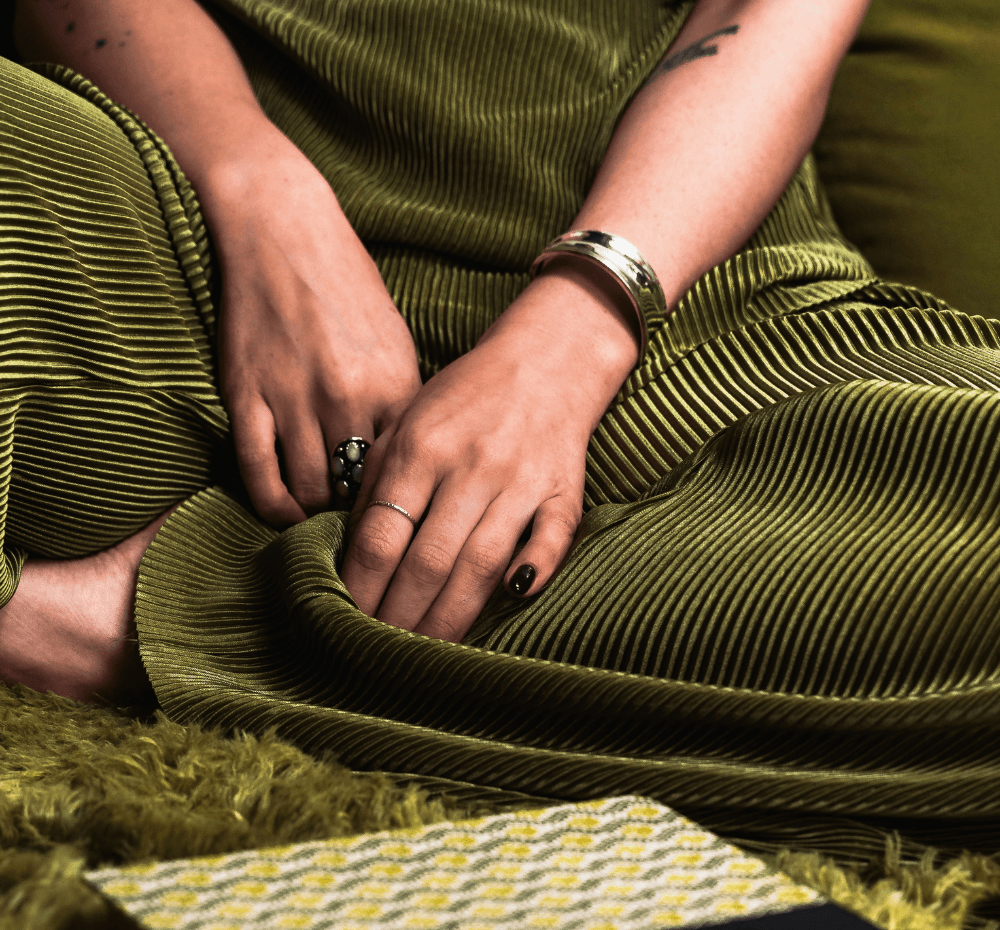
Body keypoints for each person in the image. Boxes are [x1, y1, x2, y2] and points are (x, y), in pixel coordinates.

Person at [3, 0, 1000, 864]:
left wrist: (574, 332)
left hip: (719, 334)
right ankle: (407, 629)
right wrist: (260, 194)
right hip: (204, 280)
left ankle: (135, 621)